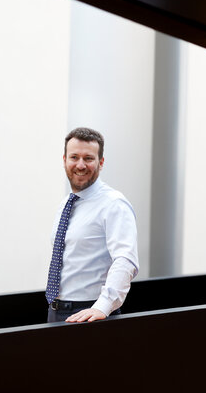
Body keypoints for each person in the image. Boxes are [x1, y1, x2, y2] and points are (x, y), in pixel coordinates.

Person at [45, 127, 139, 323]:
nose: (80, 165)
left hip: (90, 315)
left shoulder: (114, 204)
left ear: (101, 162)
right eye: (74, 157)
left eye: (88, 158)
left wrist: (102, 307)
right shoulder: (67, 203)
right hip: (56, 311)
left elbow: (125, 260)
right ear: (64, 160)